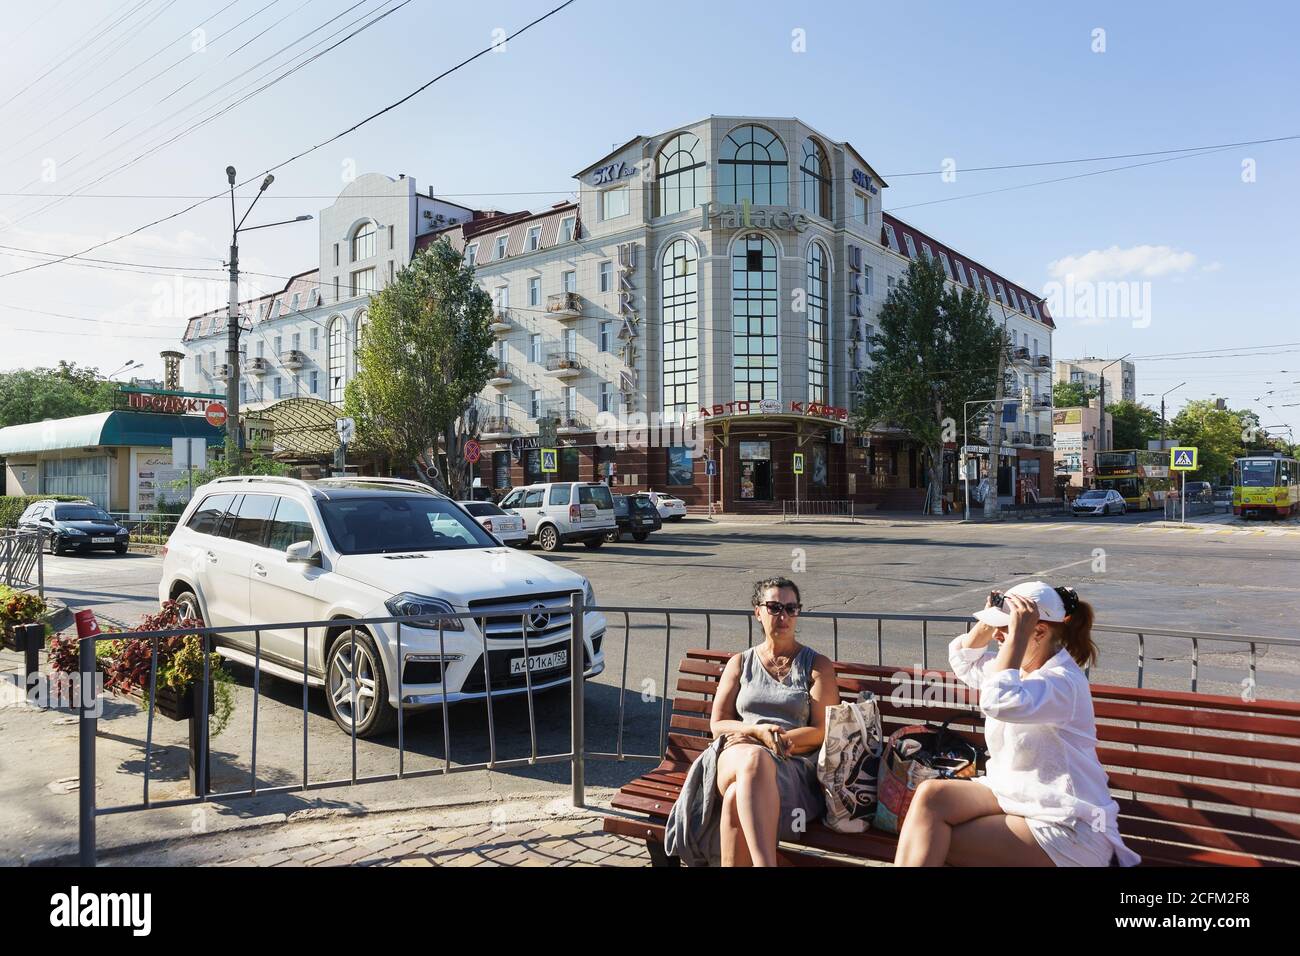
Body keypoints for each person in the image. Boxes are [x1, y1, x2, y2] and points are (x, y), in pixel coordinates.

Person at [893, 581, 1140, 867]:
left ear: (1038, 632)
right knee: (931, 797)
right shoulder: (1016, 670)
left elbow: (999, 701)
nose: (998, 636)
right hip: (1017, 795)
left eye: (1005, 629)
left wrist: (1015, 637)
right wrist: (991, 620)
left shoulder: (1062, 682)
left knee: (930, 837)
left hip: (1066, 823)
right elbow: (964, 659)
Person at [664, 577, 837, 866]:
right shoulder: (741, 663)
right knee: (754, 759)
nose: (783, 616)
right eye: (774, 607)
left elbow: (822, 730)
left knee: (735, 798)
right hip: (735, 752)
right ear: (758, 611)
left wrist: (777, 739)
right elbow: (718, 724)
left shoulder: (817, 665)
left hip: (790, 763)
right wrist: (756, 732)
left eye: (791, 608)